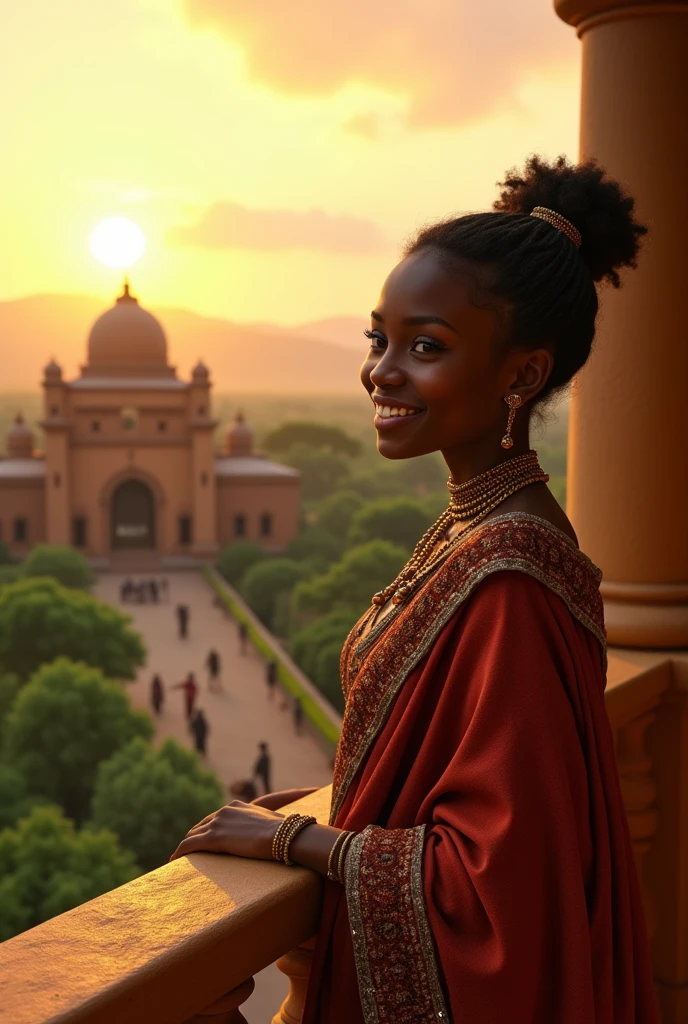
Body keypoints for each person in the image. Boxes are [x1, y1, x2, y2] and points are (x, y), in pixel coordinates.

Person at [170, 155, 659, 1023]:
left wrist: (296, 839)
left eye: (425, 346)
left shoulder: (510, 570)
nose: (381, 372)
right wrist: (337, 809)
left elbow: (499, 880)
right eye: (378, 338)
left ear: (521, 375)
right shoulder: (486, 525)